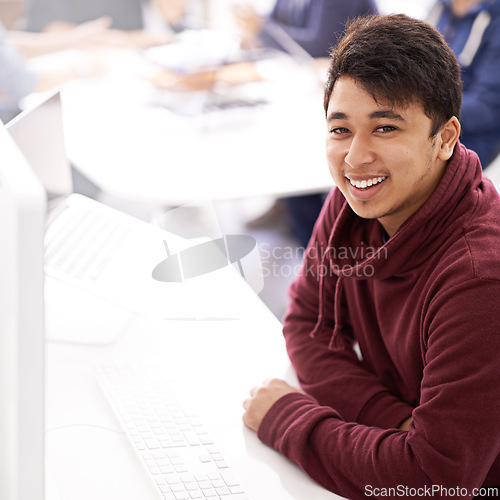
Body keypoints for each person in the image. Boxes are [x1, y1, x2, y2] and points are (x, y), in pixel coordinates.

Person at [242, 14, 500, 498]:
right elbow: (306, 326)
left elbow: (436, 480)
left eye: (385, 128)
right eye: (341, 130)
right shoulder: (354, 201)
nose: (355, 158)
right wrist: (395, 425)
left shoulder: (481, 277)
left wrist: (287, 416)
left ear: (444, 138)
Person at [237, 0, 378, 248]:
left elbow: (320, 44)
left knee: (299, 155)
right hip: (310, 87)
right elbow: (277, 24)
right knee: (282, 135)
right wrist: (258, 30)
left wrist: (262, 29)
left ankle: (319, 247)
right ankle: (295, 214)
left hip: (354, 94)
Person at [428, 0, 500, 167]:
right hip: (430, 123)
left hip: (471, 140)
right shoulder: (440, 8)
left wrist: (425, 107)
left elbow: (487, 107)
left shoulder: (495, 19)